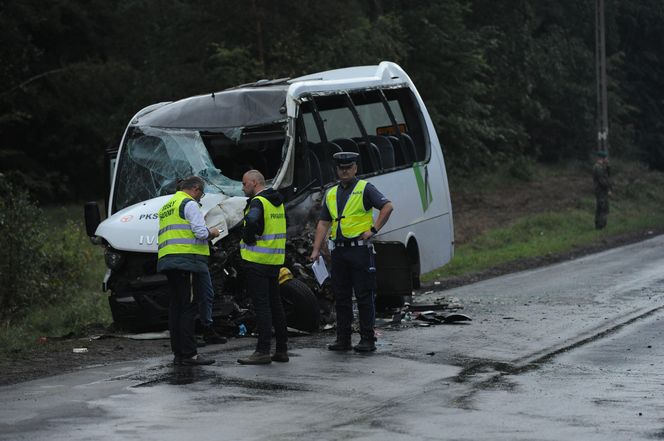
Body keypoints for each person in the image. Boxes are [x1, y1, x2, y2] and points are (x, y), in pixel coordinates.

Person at [309, 152, 394, 352]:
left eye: (348, 167)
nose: (345, 171)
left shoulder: (365, 188)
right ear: (336, 170)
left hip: (360, 251)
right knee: (342, 296)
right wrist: (315, 249)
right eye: (341, 168)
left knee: (364, 296)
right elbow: (323, 222)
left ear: (355, 168)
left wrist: (373, 230)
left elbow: (387, 207)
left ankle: (367, 339)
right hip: (338, 252)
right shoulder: (331, 193)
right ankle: (343, 339)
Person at [157, 176, 220, 366]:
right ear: (195, 189)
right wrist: (213, 232)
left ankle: (178, 353)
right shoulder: (189, 204)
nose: (200, 198)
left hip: (168, 260)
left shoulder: (167, 206)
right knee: (188, 308)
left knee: (176, 307)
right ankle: (190, 354)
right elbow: (200, 233)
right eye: (201, 194)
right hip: (187, 261)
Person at [237, 170, 289, 365]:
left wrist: (247, 237)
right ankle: (282, 350)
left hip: (257, 260)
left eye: (244, 184)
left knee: (262, 306)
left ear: (253, 182)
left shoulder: (258, 202)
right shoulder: (277, 201)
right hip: (274, 260)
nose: (243, 188)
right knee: (276, 305)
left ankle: (263, 351)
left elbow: (251, 220)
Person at [592, 150, 611, 229]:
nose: (607, 159)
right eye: (606, 158)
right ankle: (601, 225)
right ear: (602, 158)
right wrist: (608, 189)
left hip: (601, 190)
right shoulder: (598, 167)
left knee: (601, 207)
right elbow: (602, 181)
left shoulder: (601, 167)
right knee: (603, 207)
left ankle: (599, 224)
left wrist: (607, 167)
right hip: (601, 190)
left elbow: (608, 176)